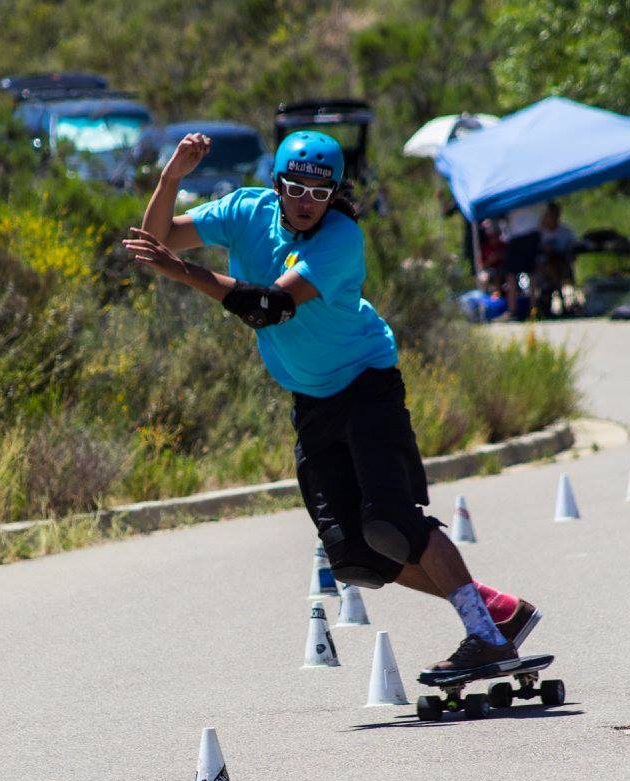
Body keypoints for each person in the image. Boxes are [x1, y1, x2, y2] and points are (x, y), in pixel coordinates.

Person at [122, 130, 542, 674]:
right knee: (354, 555)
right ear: (276, 185)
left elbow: (271, 305)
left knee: (392, 522)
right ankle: (496, 612)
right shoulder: (246, 210)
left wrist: (183, 271)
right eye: (296, 189)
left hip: (366, 386)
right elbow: (157, 241)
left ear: (335, 195)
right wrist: (171, 177)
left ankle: (486, 637)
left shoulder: (341, 238)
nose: (306, 203)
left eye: (320, 194)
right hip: (313, 399)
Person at [501, 201, 546, 320]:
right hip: (523, 235)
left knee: (524, 273)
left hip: (524, 235)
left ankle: (528, 309)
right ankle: (528, 309)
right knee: (524, 273)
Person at [538, 201, 577, 315]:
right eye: (550, 214)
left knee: (558, 264)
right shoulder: (539, 233)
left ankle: (565, 301)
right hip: (543, 268)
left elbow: (574, 247)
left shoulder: (566, 231)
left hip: (563, 263)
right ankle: (559, 297)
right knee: (549, 265)